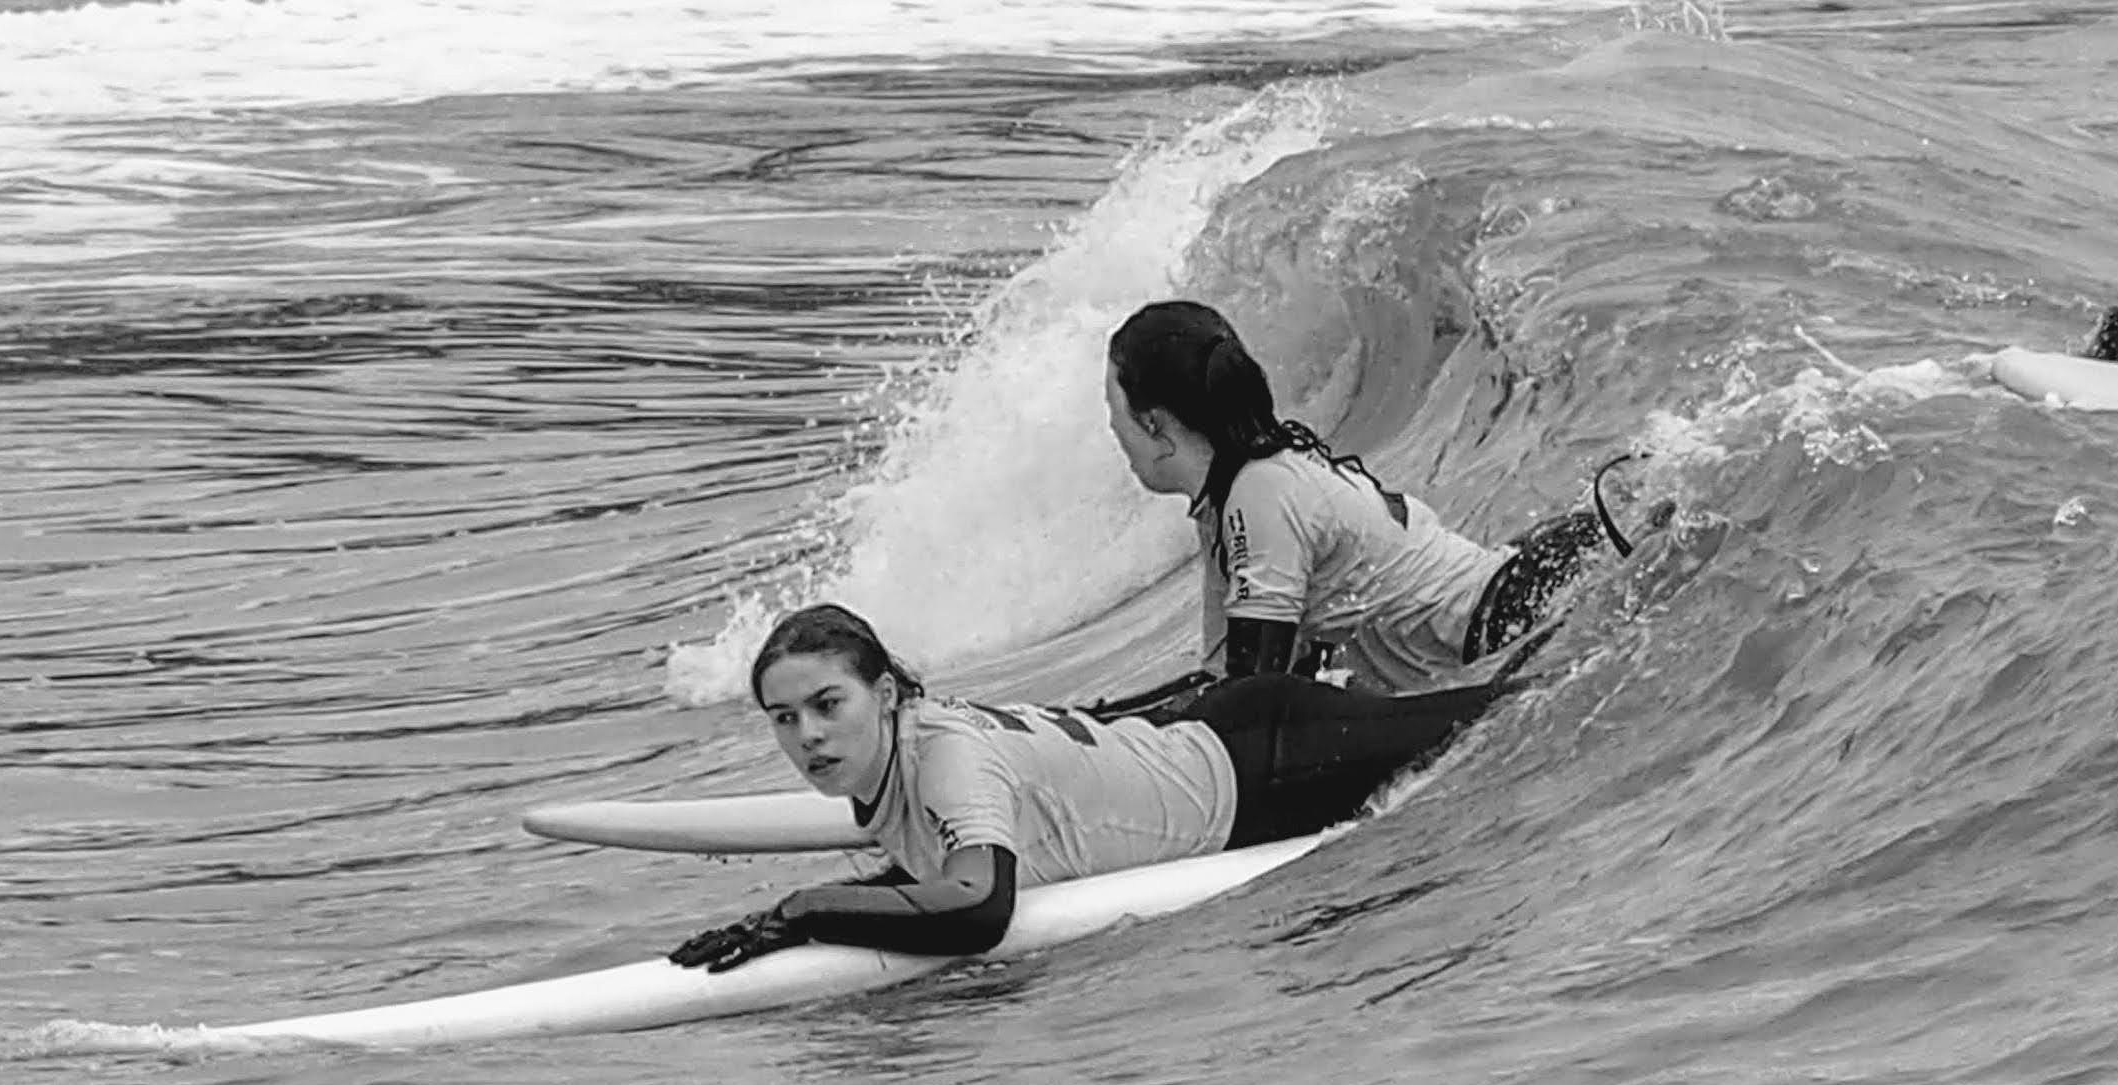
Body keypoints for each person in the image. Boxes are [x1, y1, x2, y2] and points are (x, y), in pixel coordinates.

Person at [667, 602, 1508, 972]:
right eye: (784, 718)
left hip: (1269, 764)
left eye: (827, 705)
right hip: (1220, 737)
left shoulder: (946, 757)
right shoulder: (884, 764)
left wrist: (805, 911)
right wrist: (777, 923)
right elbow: (938, 873)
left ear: (885, 694)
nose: (808, 736)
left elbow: (980, 908)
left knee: (1518, 706)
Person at [1102, 299, 1638, 694]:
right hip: (1509, 590)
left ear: (1154, 425)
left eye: (1113, 410)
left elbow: (1255, 697)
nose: (1110, 428)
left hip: (1512, 610)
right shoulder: (1232, 495)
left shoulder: (1259, 496)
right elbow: (1226, 677)